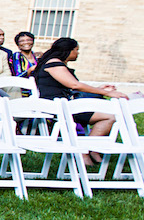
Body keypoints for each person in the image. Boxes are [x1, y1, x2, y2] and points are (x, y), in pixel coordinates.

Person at [33, 38, 128, 166]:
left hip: (67, 105)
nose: (78, 53)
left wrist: (99, 89)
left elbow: (70, 87)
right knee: (110, 117)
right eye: (76, 50)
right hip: (59, 107)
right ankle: (88, 149)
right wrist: (106, 93)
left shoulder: (57, 64)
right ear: (68, 50)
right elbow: (74, 85)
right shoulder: (54, 64)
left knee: (110, 115)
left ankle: (91, 149)